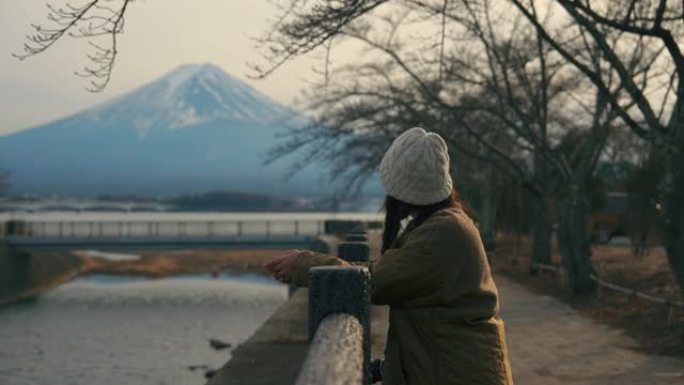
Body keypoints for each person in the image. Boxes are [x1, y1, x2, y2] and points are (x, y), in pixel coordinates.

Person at [264, 127, 514, 385]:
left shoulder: (441, 232)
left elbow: (374, 281)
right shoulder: (442, 224)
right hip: (457, 369)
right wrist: (387, 369)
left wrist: (304, 264)